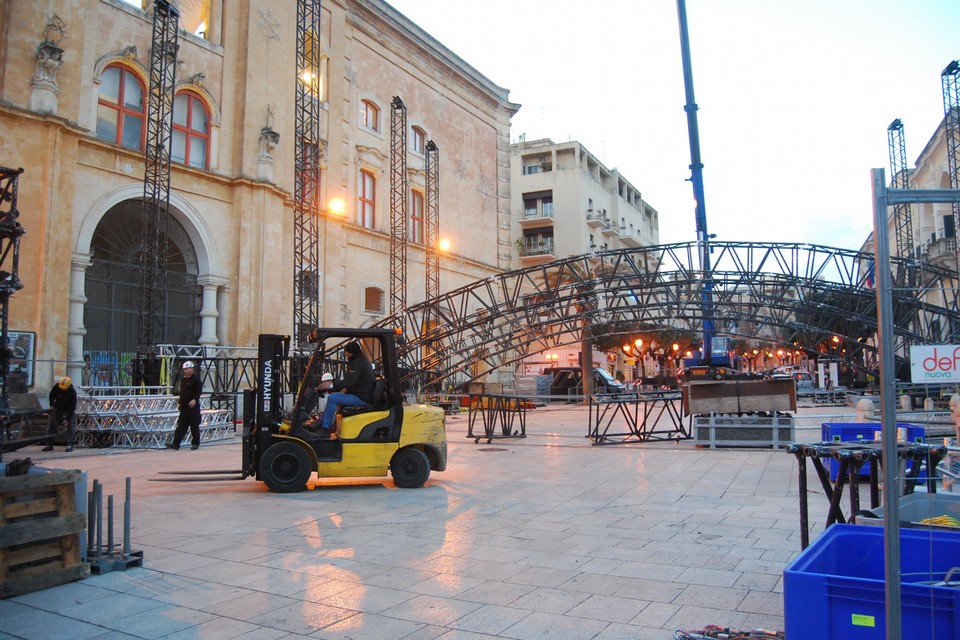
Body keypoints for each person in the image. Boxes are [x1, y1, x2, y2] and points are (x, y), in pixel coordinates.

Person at [317, 342, 375, 433]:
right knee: (335, 395)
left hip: (362, 397)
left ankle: (324, 428)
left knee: (333, 398)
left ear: (351, 352)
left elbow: (350, 381)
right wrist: (345, 389)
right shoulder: (360, 361)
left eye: (346, 352)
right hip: (360, 393)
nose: (345, 354)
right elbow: (356, 382)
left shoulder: (357, 363)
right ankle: (320, 422)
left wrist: (332, 385)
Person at [167, 360, 203, 450]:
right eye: (184, 369)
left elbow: (198, 392)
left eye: (187, 369)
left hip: (193, 408)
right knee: (181, 426)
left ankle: (195, 443)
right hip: (184, 407)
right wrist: (180, 403)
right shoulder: (183, 380)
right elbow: (182, 393)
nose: (185, 371)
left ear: (191, 369)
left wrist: (194, 400)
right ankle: (176, 443)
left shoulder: (196, 380)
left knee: (194, 425)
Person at [44, 376, 77, 452]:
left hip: (68, 409)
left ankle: (69, 444)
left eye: (64, 388)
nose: (63, 389)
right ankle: (49, 444)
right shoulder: (57, 387)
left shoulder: (72, 392)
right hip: (57, 408)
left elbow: (73, 407)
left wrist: (67, 419)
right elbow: (51, 396)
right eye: (62, 388)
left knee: (71, 426)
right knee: (51, 425)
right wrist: (51, 405)